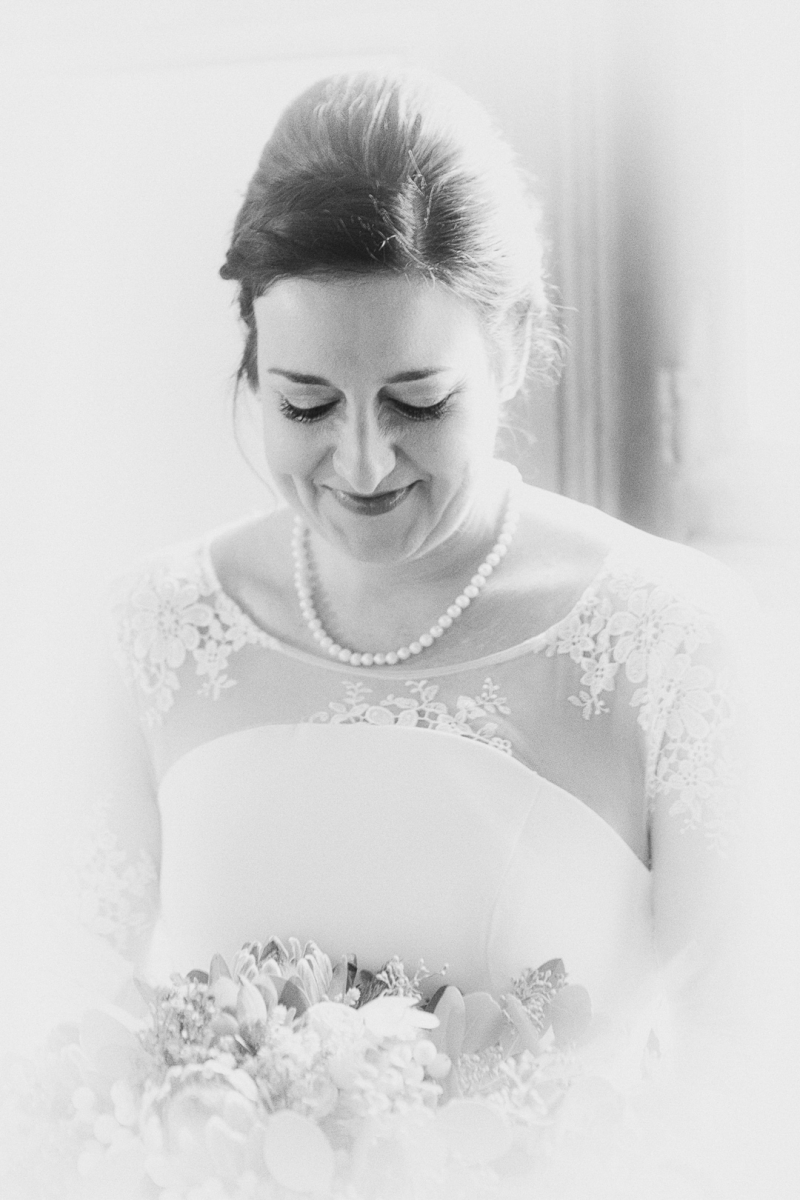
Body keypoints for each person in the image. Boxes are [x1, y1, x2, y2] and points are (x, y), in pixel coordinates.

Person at [78, 68, 754, 1189]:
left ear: (510, 342)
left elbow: (752, 1082)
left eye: (417, 402)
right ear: (252, 358)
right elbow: (60, 1041)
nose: (361, 463)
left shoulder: (672, 645)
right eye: (304, 403)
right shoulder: (146, 638)